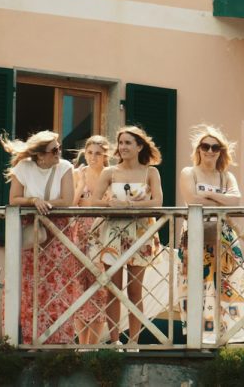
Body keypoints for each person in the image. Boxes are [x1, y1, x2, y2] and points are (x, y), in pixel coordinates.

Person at [0, 130, 87, 345]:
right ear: (40, 155)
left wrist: (45, 204)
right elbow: (14, 198)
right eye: (54, 149)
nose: (59, 152)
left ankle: (59, 340)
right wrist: (33, 200)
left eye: (59, 148)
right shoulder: (24, 168)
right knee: (29, 284)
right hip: (31, 231)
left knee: (58, 284)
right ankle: (28, 339)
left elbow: (67, 200)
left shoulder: (65, 167)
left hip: (59, 232)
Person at [177, 125, 244, 344]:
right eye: (205, 146)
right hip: (195, 234)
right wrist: (220, 198)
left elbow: (237, 200)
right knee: (197, 284)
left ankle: (233, 335)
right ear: (199, 149)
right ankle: (200, 337)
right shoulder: (189, 172)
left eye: (215, 147)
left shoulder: (226, 176)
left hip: (224, 234)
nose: (210, 151)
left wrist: (207, 195)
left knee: (231, 283)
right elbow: (192, 199)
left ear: (221, 151)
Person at [89, 126, 163, 346]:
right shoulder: (109, 172)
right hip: (112, 233)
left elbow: (157, 202)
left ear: (140, 146)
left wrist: (128, 204)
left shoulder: (151, 172)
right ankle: (114, 341)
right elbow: (95, 201)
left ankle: (133, 342)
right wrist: (110, 203)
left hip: (139, 233)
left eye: (128, 143)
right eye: (120, 143)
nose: (123, 147)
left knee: (134, 291)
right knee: (112, 289)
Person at [70, 135, 113, 344]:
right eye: (89, 153)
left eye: (98, 153)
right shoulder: (79, 173)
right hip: (80, 233)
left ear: (105, 155)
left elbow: (111, 202)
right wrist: (81, 189)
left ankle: (93, 346)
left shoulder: (111, 174)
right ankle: (82, 343)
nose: (93, 157)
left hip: (103, 233)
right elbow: (72, 203)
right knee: (79, 287)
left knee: (100, 289)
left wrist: (90, 202)